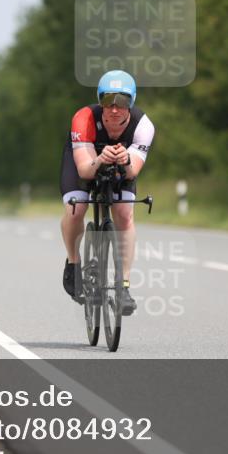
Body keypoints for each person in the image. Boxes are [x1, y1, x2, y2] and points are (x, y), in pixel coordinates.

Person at [60, 70, 154, 315]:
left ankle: (123, 286)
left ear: (131, 103)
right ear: (99, 101)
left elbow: (132, 172)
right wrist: (100, 158)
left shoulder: (143, 125)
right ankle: (73, 262)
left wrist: (124, 161)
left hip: (120, 165)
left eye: (122, 101)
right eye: (107, 100)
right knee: (77, 207)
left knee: (124, 214)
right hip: (85, 159)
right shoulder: (84, 119)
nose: (114, 108)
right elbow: (83, 170)